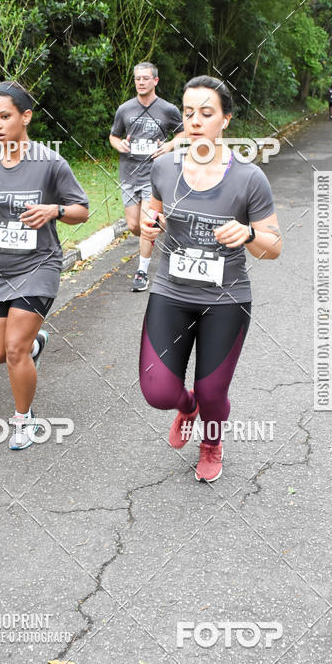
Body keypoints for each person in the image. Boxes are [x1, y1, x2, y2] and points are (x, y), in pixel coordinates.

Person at [139, 75, 282, 483]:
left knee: (212, 393)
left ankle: (211, 442)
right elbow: (152, 220)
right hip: (171, 291)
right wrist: (150, 229)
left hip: (226, 300)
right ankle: (186, 409)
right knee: (158, 392)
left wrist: (250, 234)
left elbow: (274, 246)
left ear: (226, 119)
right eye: (188, 113)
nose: (195, 120)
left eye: (206, 112)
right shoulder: (164, 167)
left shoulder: (249, 178)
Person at [0, 81, 89, 449]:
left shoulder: (50, 163)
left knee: (13, 348)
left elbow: (81, 210)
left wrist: (54, 210)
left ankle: (23, 420)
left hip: (38, 265)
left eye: (5, 116)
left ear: (25, 116)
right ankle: (34, 347)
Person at [110, 62, 183, 291]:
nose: (140, 82)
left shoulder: (168, 109)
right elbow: (113, 136)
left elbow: (183, 133)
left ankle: (142, 272)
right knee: (133, 226)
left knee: (145, 222)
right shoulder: (125, 109)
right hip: (129, 173)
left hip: (154, 176)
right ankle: (161, 233)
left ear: (155, 81)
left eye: (145, 78)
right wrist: (118, 144)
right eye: (137, 79)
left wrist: (170, 145)